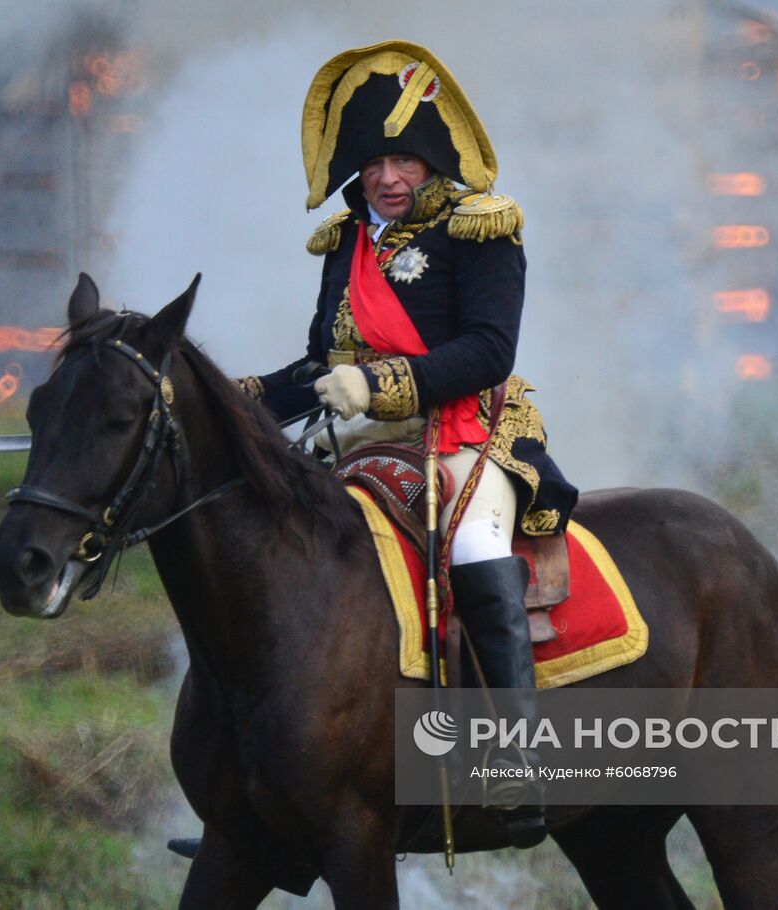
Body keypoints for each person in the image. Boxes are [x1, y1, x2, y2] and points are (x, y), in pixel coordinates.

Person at [236, 40, 576, 841]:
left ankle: (515, 765)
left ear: (433, 160)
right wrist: (233, 401)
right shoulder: (347, 244)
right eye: (373, 164)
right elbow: (323, 364)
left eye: (404, 160)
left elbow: (491, 349)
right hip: (361, 440)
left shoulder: (481, 228)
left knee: (472, 542)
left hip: (468, 429)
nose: (388, 178)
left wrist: (383, 385)